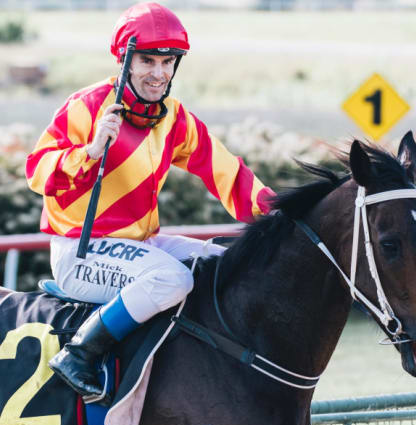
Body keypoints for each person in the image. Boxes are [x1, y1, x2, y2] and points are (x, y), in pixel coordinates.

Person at [25, 2, 275, 403]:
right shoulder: (87, 106)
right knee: (173, 279)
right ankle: (79, 354)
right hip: (81, 251)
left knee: (221, 263)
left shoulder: (174, 119)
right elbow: (37, 172)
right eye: (147, 61)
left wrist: (278, 214)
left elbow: (227, 172)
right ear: (124, 59)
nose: (158, 73)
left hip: (139, 246)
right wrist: (89, 153)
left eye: (167, 61)